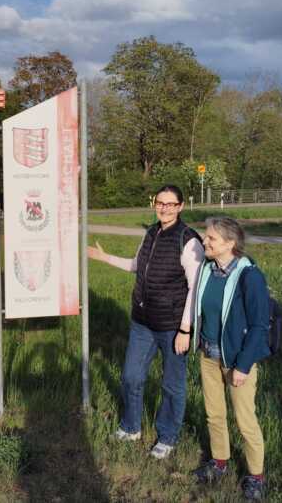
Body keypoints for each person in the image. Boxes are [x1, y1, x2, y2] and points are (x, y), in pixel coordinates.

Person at [88, 185, 204, 459]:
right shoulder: (151, 233)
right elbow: (136, 266)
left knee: (172, 385)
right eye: (160, 203)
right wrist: (104, 257)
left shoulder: (189, 240)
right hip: (142, 322)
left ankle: (167, 436)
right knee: (131, 376)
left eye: (170, 204)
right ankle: (131, 427)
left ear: (180, 206)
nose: (164, 208)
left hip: (173, 326)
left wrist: (185, 329)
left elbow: (195, 288)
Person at [191, 217, 270, 501]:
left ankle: (256, 477)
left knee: (245, 420)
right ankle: (220, 462)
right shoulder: (208, 269)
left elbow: (260, 325)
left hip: (236, 360)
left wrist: (243, 366)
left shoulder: (250, 276)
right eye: (206, 236)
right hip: (208, 355)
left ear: (230, 243)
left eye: (211, 238)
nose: (205, 241)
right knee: (214, 414)